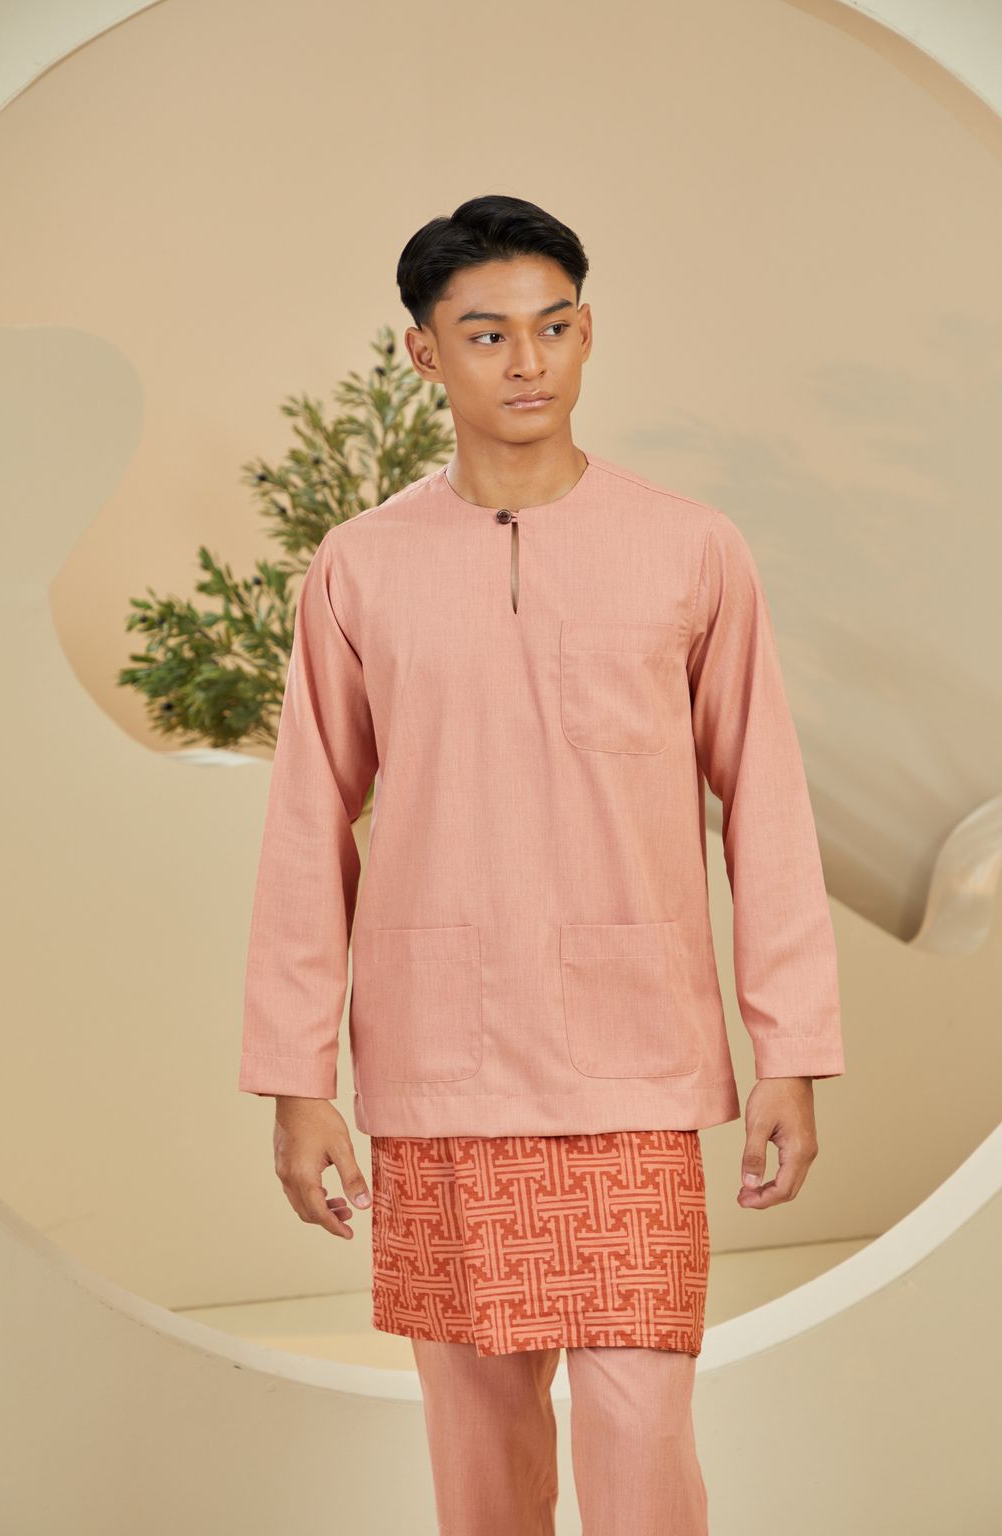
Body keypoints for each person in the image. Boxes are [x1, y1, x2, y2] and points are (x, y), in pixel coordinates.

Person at [238, 193, 845, 1535]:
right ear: (423, 354)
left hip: (636, 1061)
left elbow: (767, 805)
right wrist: (296, 1078)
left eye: (555, 327)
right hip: (440, 1068)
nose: (529, 362)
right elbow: (306, 829)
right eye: (488, 334)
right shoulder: (360, 568)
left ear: (588, 334)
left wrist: (791, 1048)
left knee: (641, 1432)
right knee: (479, 1453)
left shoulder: (690, 548)